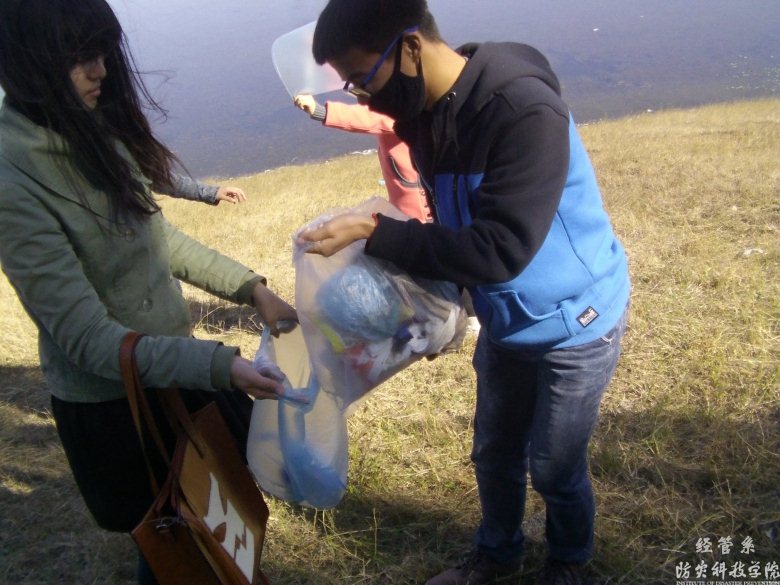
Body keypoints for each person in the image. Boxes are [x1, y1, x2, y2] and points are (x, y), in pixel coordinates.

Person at [299, 1, 631, 584]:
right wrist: (428, 309)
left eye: (361, 78)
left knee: (554, 467)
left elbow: (501, 249)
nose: (363, 97)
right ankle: (497, 555)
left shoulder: (522, 110)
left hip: (575, 320)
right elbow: (454, 230)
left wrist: (378, 232)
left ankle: (569, 563)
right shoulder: (425, 116)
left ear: (409, 47)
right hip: (505, 321)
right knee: (494, 452)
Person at [0, 1, 296, 583]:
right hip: (116, 406)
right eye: (79, 57)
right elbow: (89, 341)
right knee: (169, 542)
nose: (101, 70)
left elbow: (156, 237)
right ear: (29, 63)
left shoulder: (89, 126)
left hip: (172, 371)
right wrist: (220, 365)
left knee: (215, 516)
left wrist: (250, 289)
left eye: (102, 52)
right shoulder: (13, 182)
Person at [293, 93, 431, 222]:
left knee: (420, 233)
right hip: (404, 200)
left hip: (419, 208)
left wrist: (321, 111)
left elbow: (371, 117)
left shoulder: (404, 102)